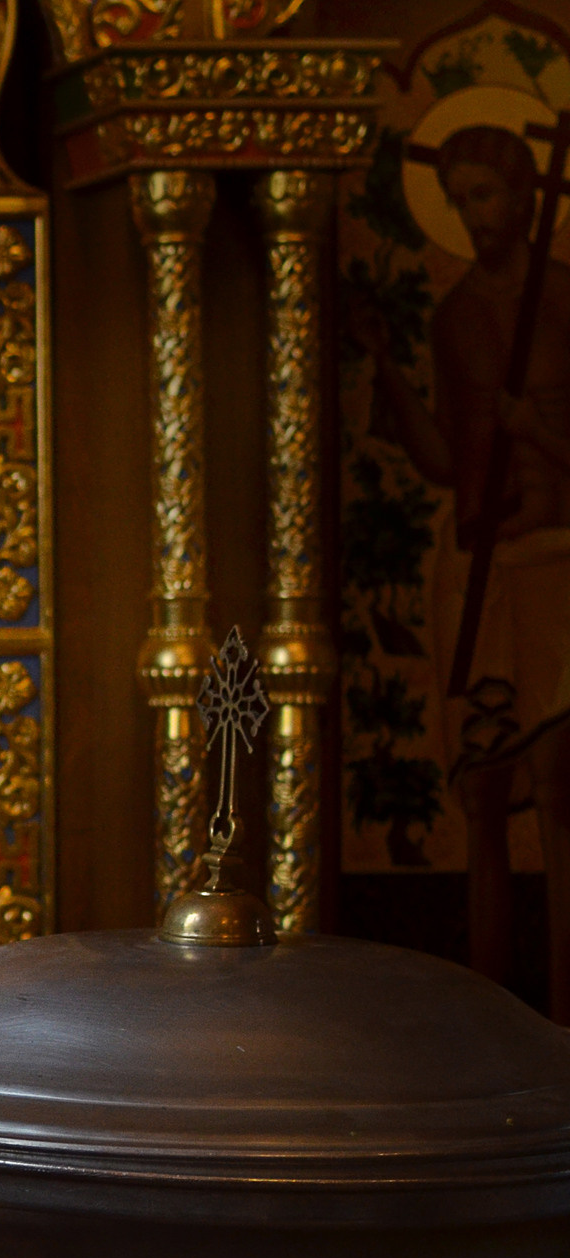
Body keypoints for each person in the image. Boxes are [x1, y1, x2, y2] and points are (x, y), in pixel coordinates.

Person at [360, 122, 570, 1019]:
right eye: (458, 201)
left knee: (560, 792)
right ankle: (492, 1021)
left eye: (485, 194)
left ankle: (563, 1020)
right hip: (475, 565)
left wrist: (538, 434)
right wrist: (386, 365)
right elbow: (447, 461)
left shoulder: (567, 298)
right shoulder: (452, 319)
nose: (473, 214)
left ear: (525, 195)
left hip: (558, 562)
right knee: (481, 796)